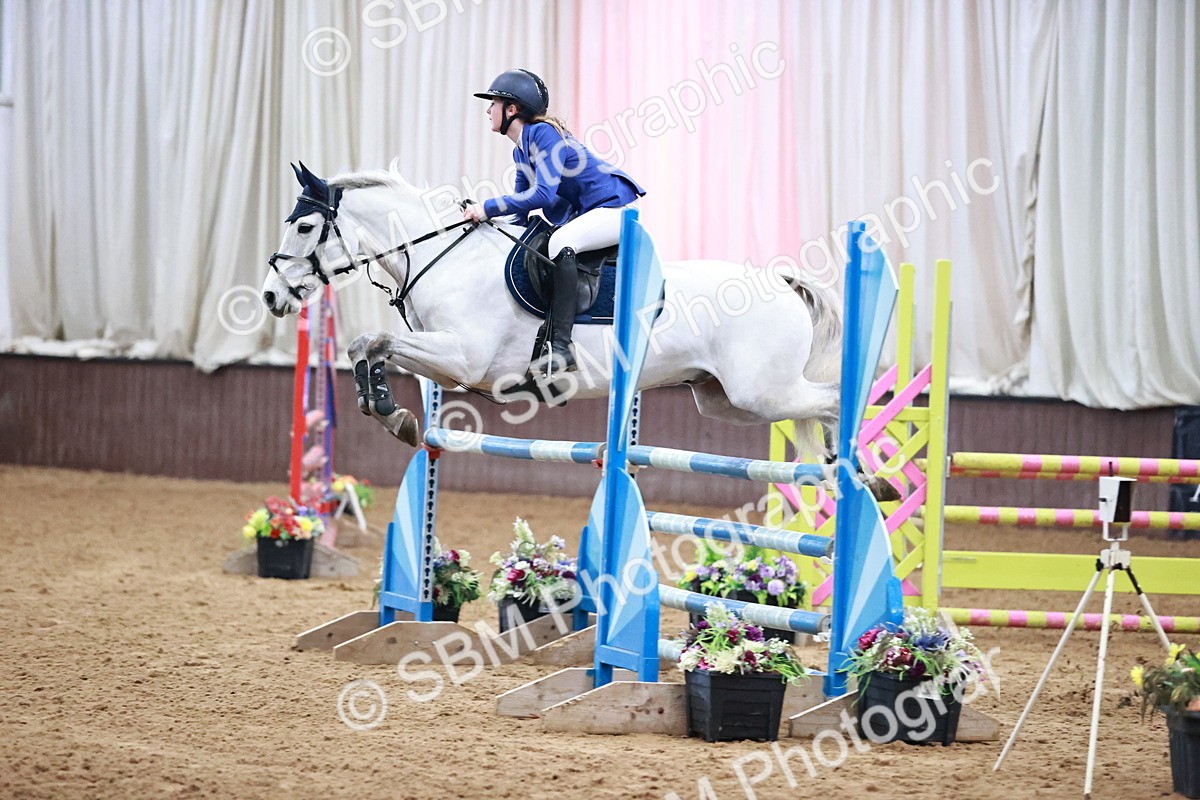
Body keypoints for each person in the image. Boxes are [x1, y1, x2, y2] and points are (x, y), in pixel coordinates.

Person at [464, 68, 646, 378]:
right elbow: (520, 217)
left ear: (512, 109)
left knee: (561, 243)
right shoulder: (521, 151)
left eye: (493, 103)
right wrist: (483, 229)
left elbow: (543, 196)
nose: (487, 109)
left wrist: (487, 207)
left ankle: (560, 347)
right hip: (590, 215)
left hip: (613, 210)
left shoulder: (542, 134)